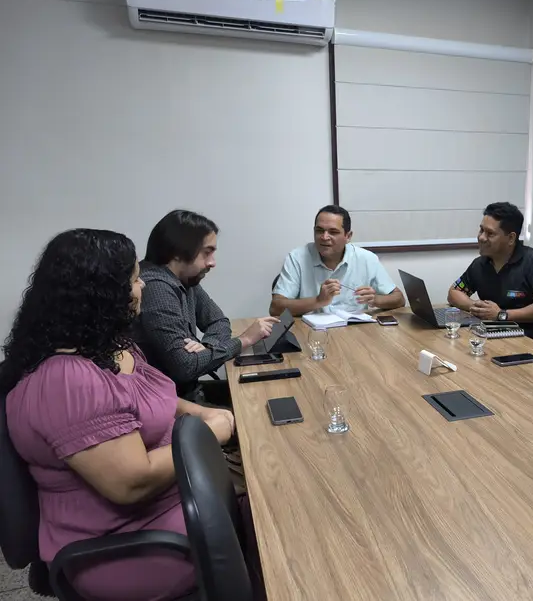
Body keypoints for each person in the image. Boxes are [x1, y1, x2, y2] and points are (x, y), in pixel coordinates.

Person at [0, 229, 237, 601]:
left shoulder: (113, 348)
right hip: (129, 548)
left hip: (178, 508)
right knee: (275, 535)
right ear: (104, 293)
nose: (143, 286)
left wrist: (207, 414)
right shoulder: (67, 382)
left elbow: (156, 398)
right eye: (134, 279)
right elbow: (132, 482)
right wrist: (210, 433)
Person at [136, 210, 278, 402]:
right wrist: (244, 340)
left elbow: (218, 321)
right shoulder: (156, 288)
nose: (212, 262)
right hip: (171, 403)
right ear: (177, 252)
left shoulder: (186, 278)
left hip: (186, 392)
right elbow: (186, 367)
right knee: (259, 404)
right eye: (207, 253)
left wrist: (206, 346)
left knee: (264, 390)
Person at [447, 202, 533, 343]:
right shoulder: (480, 264)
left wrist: (501, 314)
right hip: (492, 336)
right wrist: (476, 307)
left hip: (530, 339)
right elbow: (454, 292)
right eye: (481, 230)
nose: (481, 237)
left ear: (511, 238)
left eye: (490, 233)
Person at [270, 205, 405, 317]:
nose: (324, 237)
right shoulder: (297, 258)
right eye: (319, 231)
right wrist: (318, 301)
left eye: (333, 232)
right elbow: (276, 308)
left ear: (348, 236)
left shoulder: (366, 259)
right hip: (310, 333)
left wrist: (376, 300)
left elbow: (399, 299)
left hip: (354, 331)